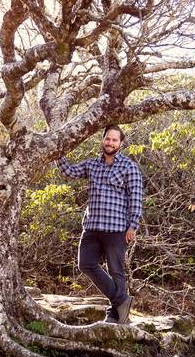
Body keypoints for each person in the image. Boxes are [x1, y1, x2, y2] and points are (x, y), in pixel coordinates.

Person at [57, 124, 144, 324]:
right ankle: (122, 300)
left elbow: (136, 198)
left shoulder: (129, 167)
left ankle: (115, 315)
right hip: (92, 226)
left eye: (114, 140)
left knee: (116, 272)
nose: (110, 143)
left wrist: (133, 226)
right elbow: (69, 172)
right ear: (102, 140)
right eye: (107, 138)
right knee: (85, 264)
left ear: (121, 144)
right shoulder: (92, 165)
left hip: (116, 228)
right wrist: (57, 153)